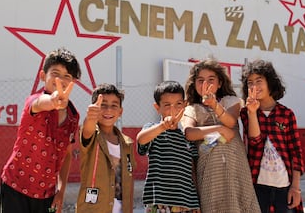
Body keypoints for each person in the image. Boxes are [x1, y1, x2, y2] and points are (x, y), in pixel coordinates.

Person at [0, 47, 81, 213]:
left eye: (67, 76)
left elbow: (67, 154)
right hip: (15, 186)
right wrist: (53, 100)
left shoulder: (73, 116)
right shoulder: (35, 101)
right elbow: (40, 103)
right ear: (43, 76)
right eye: (55, 73)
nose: (61, 79)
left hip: (46, 195)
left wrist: (61, 191)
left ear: (73, 82)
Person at [181, 58, 260, 212]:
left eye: (211, 79)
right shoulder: (191, 109)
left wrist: (214, 105)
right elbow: (189, 133)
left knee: (240, 203)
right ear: (194, 84)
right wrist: (219, 130)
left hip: (235, 165)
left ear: (220, 83)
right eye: (201, 80)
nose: (206, 84)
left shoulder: (231, 101)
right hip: (209, 169)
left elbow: (230, 122)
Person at [240, 59, 304, 213]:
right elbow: (254, 141)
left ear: (270, 83)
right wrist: (252, 112)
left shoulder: (287, 114)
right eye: (250, 82)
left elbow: (296, 153)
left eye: (259, 81)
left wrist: (295, 187)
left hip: (285, 186)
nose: (254, 86)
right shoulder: (246, 112)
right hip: (257, 186)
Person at [137, 80, 200, 213]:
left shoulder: (187, 136)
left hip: (187, 203)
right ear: (157, 107)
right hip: (160, 203)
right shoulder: (153, 130)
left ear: (184, 105)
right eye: (167, 105)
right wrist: (162, 126)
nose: (173, 110)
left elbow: (193, 170)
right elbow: (141, 140)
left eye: (178, 104)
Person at [76, 83, 136, 213]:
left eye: (114, 105)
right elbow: (88, 129)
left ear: (120, 111)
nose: (108, 110)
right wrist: (91, 117)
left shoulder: (127, 143)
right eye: (103, 105)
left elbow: (129, 180)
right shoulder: (92, 135)